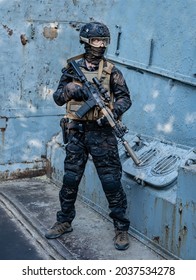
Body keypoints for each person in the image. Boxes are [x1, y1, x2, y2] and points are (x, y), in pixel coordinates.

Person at [45, 21, 132, 250]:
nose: (100, 45)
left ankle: (121, 228)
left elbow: (125, 98)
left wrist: (112, 112)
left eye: (103, 41)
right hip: (76, 131)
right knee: (71, 179)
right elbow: (58, 97)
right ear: (86, 41)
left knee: (111, 181)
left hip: (102, 132)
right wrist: (74, 90)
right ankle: (64, 221)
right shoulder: (71, 68)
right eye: (96, 40)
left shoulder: (113, 71)